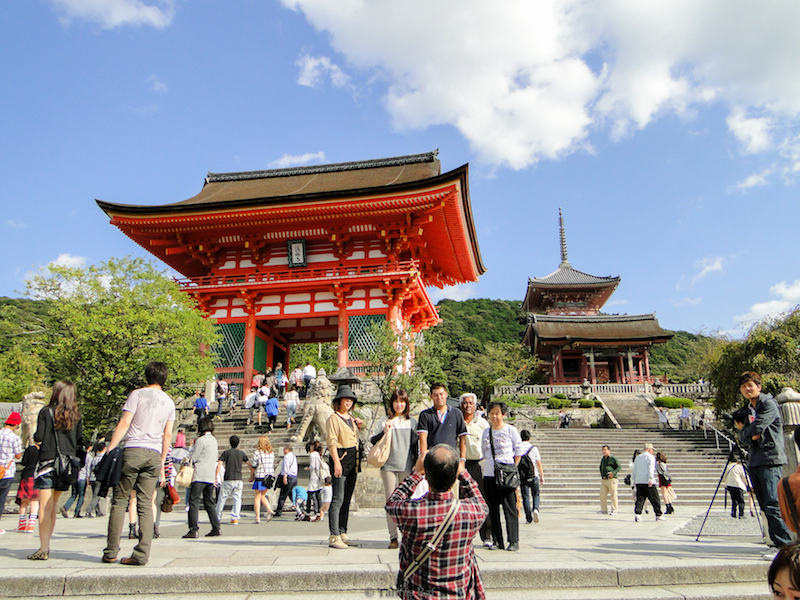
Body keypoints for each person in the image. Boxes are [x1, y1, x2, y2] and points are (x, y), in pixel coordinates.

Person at [386, 444, 489, 599]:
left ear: (426, 476)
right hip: (457, 595)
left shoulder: (411, 512)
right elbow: (481, 502)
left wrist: (416, 473)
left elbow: (392, 503)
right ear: (455, 478)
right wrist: (463, 473)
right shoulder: (470, 512)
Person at [103, 361, 175, 565]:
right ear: (164, 379)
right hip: (154, 454)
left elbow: (125, 422)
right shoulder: (169, 402)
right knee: (145, 503)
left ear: (147, 376)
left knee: (120, 501)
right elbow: (167, 434)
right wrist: (162, 462)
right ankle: (142, 553)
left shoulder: (137, 394)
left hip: (133, 449)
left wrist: (110, 448)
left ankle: (111, 551)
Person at [735, 371, 793, 553]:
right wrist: (748, 435)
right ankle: (776, 544)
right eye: (743, 386)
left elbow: (758, 426)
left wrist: (746, 433)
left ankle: (785, 546)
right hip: (755, 459)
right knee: (764, 504)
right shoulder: (749, 408)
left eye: (750, 385)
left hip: (770, 458)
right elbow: (745, 435)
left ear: (758, 387)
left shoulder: (768, 403)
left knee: (773, 503)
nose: (747, 389)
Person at [30, 381, 85, 560]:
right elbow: (79, 440)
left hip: (47, 463)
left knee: (44, 507)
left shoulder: (46, 412)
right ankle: (47, 544)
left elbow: (38, 436)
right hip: (66, 466)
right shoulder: (76, 415)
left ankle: (44, 547)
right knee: (52, 506)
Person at [370, 389, 419, 549]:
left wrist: (416, 466)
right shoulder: (384, 421)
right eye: (396, 401)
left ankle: (406, 535)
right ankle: (393, 537)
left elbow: (415, 446)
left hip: (407, 466)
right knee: (391, 502)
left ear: (406, 404)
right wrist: (384, 432)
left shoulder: (411, 422)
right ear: (392, 403)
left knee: (406, 502)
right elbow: (373, 440)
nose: (399, 405)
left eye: (402, 401)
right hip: (388, 466)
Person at [480, 401, 523, 551]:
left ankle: (513, 541)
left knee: (509, 507)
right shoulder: (487, 432)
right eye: (492, 413)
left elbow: (518, 450)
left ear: (503, 414)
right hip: (489, 473)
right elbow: (483, 452)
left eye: (497, 413)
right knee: (492, 508)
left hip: (505, 473)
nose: (494, 416)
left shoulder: (510, 430)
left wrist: (512, 467)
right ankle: (497, 541)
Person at [326, 384, 362, 549]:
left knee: (347, 498)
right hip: (340, 458)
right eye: (345, 399)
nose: (348, 402)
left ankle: (342, 531)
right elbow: (332, 442)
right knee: (338, 498)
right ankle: (334, 535)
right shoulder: (334, 418)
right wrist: (336, 462)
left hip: (353, 459)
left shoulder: (351, 419)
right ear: (339, 401)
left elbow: (354, 438)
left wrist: (358, 427)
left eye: (350, 399)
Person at [459, 393, 492, 546]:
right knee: (461, 501)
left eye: (471, 403)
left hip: (479, 464)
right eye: (465, 403)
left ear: (475, 405)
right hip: (461, 465)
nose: (468, 405)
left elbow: (489, 443)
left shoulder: (482, 423)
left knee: (483, 499)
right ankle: (464, 536)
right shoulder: (457, 420)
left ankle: (487, 535)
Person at [183, 416, 221, 538]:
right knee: (209, 502)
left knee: (194, 502)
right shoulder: (214, 440)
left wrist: (188, 456)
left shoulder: (201, 440)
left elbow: (194, 458)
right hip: (210, 474)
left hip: (199, 474)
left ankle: (193, 529)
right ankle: (216, 527)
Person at [417, 383, 467, 458]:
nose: (439, 397)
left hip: (451, 458)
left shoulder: (456, 413)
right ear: (431, 396)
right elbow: (423, 440)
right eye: (435, 395)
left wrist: (462, 459)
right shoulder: (425, 415)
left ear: (446, 394)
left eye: (441, 394)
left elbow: (463, 439)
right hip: (433, 458)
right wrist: (423, 459)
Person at [215, 435, 248, 525]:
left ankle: (217, 517)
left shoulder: (226, 453)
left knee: (222, 498)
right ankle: (235, 517)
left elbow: (219, 465)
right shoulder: (241, 453)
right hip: (238, 479)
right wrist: (252, 474)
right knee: (237, 499)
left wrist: (216, 477)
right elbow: (249, 463)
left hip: (228, 478)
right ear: (238, 443)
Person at [0, 411, 24, 535]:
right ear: (17, 425)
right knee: (1, 499)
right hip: (6, 472)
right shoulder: (15, 438)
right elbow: (18, 455)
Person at [632, 443, 665, 522]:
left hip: (639, 480)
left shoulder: (638, 457)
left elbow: (634, 469)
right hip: (648, 481)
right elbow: (651, 469)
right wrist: (651, 479)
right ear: (650, 450)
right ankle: (658, 514)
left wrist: (634, 480)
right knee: (655, 498)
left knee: (640, 498)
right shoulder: (651, 457)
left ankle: (638, 514)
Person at [517, 429, 544, 524]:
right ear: (529, 438)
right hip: (534, 475)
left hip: (522, 476)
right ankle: (535, 509)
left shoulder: (518, 448)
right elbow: (538, 463)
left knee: (525, 497)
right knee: (536, 494)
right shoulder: (534, 448)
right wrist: (542, 476)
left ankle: (528, 518)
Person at [248, 435, 275, 524]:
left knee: (257, 497)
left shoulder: (257, 453)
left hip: (260, 475)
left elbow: (254, 465)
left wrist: (251, 476)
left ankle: (257, 517)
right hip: (269, 477)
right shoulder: (271, 453)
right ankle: (269, 509)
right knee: (263, 495)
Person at [61, 441, 91, 518]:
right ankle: (77, 512)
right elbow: (88, 468)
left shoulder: (74, 455)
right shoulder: (88, 456)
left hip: (74, 476)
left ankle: (65, 507)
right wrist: (88, 478)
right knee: (81, 496)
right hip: (82, 477)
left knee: (73, 495)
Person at [15, 440, 39, 533]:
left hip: (26, 475)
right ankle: (31, 526)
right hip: (36, 476)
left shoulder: (29, 449)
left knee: (24, 503)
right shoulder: (44, 450)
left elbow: (23, 462)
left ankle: (22, 525)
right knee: (35, 502)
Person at [84, 441, 107, 518]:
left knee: (95, 495)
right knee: (96, 496)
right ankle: (88, 511)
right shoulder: (104, 457)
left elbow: (90, 468)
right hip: (99, 478)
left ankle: (98, 511)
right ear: (104, 448)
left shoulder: (95, 457)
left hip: (92, 478)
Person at [275, 444, 298, 517]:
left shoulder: (286, 457)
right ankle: (299, 508)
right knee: (292, 494)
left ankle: (278, 511)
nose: (283, 451)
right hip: (294, 477)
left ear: (287, 450)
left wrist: (285, 477)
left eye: (284, 449)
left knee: (282, 495)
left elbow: (286, 467)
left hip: (288, 477)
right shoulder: (294, 456)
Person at [598, 445, 620, 516]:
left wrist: (613, 473)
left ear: (609, 450)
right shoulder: (603, 459)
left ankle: (614, 510)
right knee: (602, 495)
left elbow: (619, 466)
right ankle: (604, 510)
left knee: (613, 495)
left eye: (605, 450)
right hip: (604, 480)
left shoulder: (612, 458)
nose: (604, 451)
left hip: (612, 479)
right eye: (603, 450)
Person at [306, 440, 324, 521]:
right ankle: (320, 513)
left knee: (311, 496)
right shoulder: (318, 454)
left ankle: (310, 513)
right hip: (318, 476)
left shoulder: (312, 455)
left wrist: (308, 468)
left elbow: (313, 466)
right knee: (318, 496)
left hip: (313, 476)